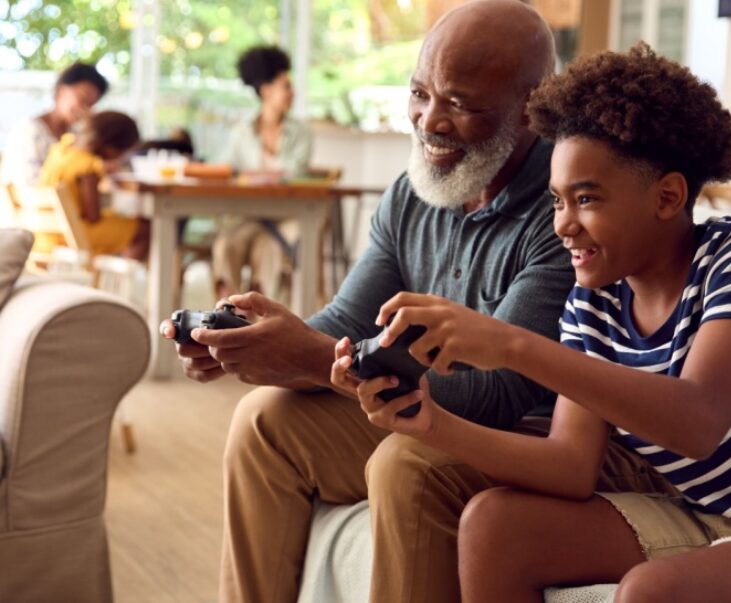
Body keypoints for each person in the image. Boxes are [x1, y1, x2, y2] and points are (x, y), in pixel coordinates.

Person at [162, 5, 679, 603]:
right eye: (418, 92)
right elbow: (346, 323)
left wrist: (309, 358)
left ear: (531, 107)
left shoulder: (570, 218)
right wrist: (256, 343)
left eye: (460, 104)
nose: (429, 120)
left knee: (408, 463)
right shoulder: (411, 196)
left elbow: (500, 396)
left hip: (525, 435)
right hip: (436, 410)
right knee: (264, 420)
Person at [333, 43, 731, 603]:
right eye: (557, 202)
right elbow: (571, 466)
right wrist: (429, 423)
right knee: (493, 527)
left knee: (651, 592)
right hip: (704, 510)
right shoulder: (594, 301)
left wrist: (511, 345)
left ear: (668, 196)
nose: (564, 226)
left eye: (586, 199)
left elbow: (698, 420)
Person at [212, 45, 313, 300]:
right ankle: (229, 313)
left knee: (269, 249)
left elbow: (296, 173)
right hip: (249, 215)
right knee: (226, 245)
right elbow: (224, 168)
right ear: (266, 90)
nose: (293, 92)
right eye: (286, 86)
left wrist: (252, 175)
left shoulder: (301, 133)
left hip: (286, 217)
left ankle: (259, 320)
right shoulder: (242, 131)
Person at [39, 110, 150, 260]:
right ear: (111, 147)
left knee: (122, 222)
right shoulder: (88, 167)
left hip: (45, 234)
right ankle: (123, 281)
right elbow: (93, 215)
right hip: (70, 236)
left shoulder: (61, 150)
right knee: (143, 229)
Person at [1, 62, 109, 185]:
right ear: (60, 90)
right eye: (82, 99)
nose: (85, 110)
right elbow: (29, 187)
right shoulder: (29, 131)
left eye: (91, 105)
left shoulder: (73, 136)